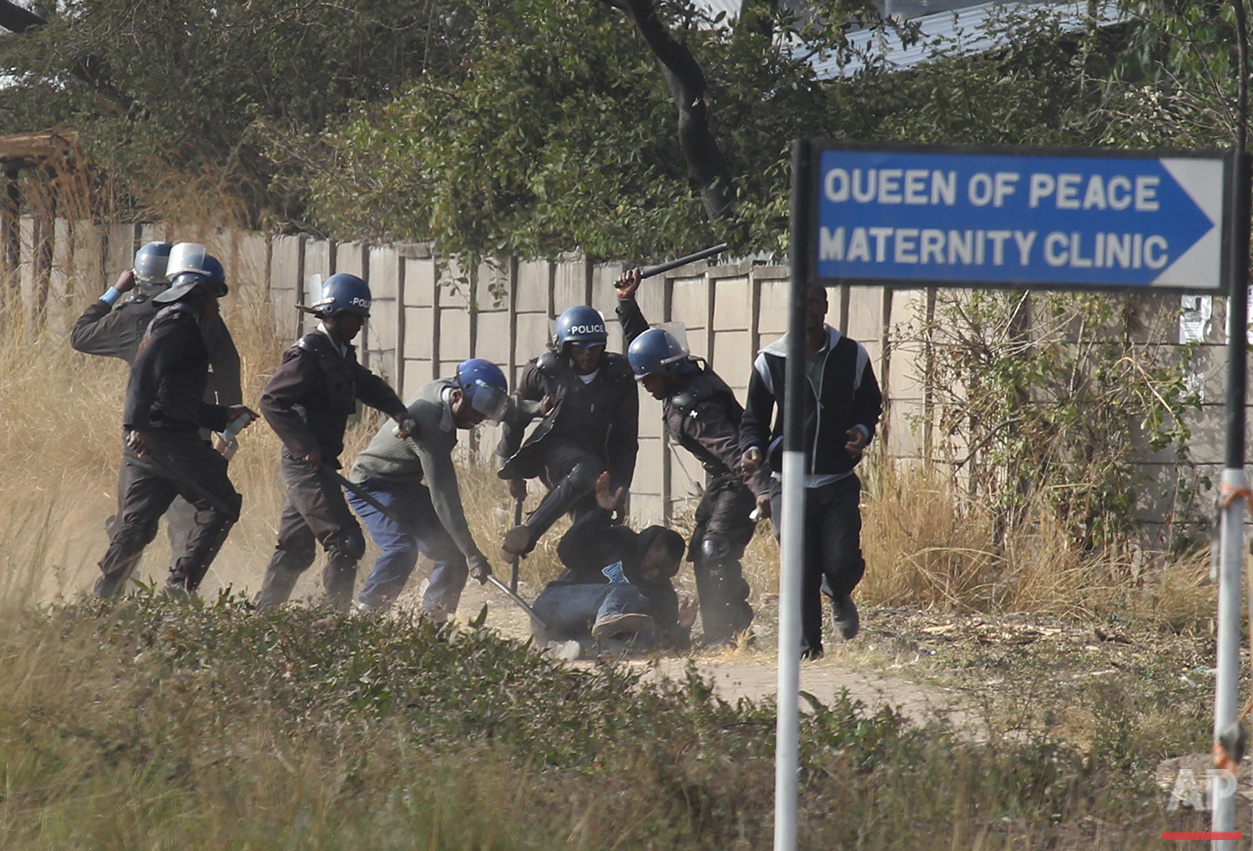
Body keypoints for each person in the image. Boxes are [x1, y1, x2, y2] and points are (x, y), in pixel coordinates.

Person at [72, 241, 243, 580]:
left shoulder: (131, 316)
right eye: (214, 295)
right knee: (200, 513)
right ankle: (177, 589)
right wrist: (226, 427)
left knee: (133, 520)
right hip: (178, 435)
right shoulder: (192, 321)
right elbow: (226, 367)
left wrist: (113, 291)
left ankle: (110, 595)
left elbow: (81, 336)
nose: (217, 303)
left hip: (147, 435)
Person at [614, 268, 766, 645]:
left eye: (649, 380)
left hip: (741, 479)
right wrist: (627, 303)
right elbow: (647, 349)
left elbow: (735, 453)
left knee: (715, 549)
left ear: (666, 373)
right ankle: (720, 630)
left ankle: (731, 633)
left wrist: (763, 490)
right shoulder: (678, 376)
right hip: (723, 480)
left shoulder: (696, 409)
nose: (646, 387)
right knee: (701, 547)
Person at [255, 273, 415, 611]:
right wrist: (305, 447)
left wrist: (399, 412)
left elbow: (367, 384)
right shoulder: (308, 354)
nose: (360, 323)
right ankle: (334, 622)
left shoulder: (339, 353)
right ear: (334, 314)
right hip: (305, 467)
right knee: (347, 541)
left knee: (296, 548)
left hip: (321, 464)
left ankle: (262, 615)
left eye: (362, 317)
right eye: (355, 316)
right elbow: (271, 401)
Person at [739, 284, 882, 660]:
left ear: (826, 306)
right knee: (799, 567)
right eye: (800, 302)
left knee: (841, 563)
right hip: (788, 481)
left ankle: (838, 590)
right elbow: (753, 419)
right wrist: (752, 449)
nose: (808, 309)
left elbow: (870, 404)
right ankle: (808, 652)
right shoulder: (770, 360)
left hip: (836, 481)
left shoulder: (851, 355)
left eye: (815, 301)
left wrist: (861, 431)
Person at [347, 359, 507, 618]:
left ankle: (434, 622)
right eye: (476, 412)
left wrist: (535, 408)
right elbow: (444, 499)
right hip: (371, 484)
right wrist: (474, 554)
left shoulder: (449, 390)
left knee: (453, 555)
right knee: (402, 549)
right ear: (457, 396)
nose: (478, 420)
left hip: (405, 485)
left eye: (484, 414)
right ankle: (366, 614)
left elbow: (511, 408)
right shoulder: (429, 425)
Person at [496, 304, 638, 560]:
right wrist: (509, 465)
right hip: (553, 452)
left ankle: (575, 586)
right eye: (580, 346)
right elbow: (516, 415)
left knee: (592, 536)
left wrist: (619, 487)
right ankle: (527, 534)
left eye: (594, 345)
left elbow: (626, 439)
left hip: (598, 459)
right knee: (584, 470)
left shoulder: (619, 377)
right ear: (563, 346)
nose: (588, 353)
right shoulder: (543, 371)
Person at [532, 472, 697, 649]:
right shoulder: (620, 541)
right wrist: (601, 512)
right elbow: (567, 552)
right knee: (627, 592)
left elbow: (666, 642)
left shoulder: (663, 596)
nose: (656, 574)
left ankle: (572, 649)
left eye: (665, 572)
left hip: (574, 632)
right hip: (553, 608)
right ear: (645, 549)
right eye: (654, 565)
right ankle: (609, 616)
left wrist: (682, 628)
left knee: (647, 637)